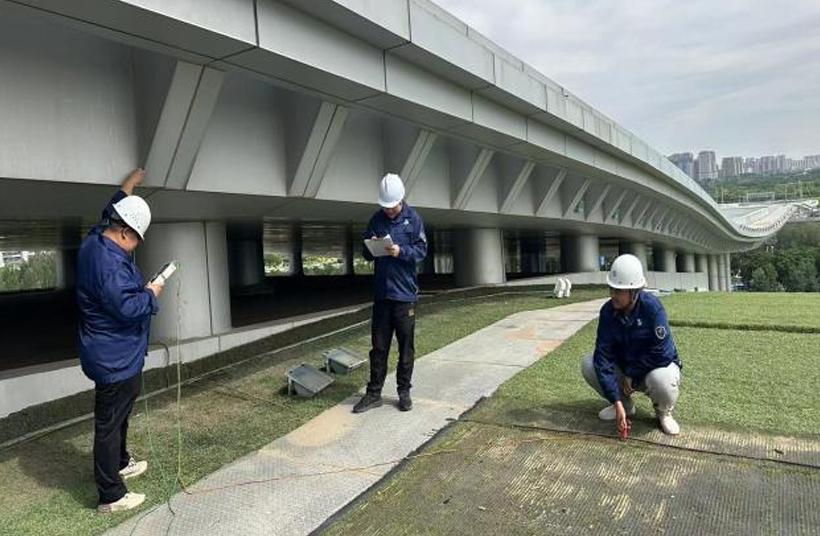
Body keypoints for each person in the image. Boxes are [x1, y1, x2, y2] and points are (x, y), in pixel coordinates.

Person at [76, 168, 163, 513]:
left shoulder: (100, 235)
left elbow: (115, 206)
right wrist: (153, 292)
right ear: (125, 232)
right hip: (113, 355)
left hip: (118, 353)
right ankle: (110, 494)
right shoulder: (109, 265)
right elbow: (129, 308)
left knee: (121, 413)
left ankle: (121, 461)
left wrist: (130, 184)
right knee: (109, 423)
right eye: (138, 238)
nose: (138, 245)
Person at [581, 254, 683, 436]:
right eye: (611, 288)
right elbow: (602, 357)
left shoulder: (653, 309)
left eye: (619, 291)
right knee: (589, 364)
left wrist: (632, 374)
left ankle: (664, 413)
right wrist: (617, 401)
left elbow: (662, 352)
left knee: (663, 380)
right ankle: (625, 406)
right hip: (626, 371)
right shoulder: (607, 312)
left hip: (652, 369)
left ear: (634, 292)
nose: (613, 294)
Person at [353, 173, 427, 413]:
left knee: (406, 348)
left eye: (392, 207)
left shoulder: (413, 219)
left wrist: (400, 251)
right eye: (385, 207)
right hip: (382, 295)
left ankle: (403, 392)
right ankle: (373, 394)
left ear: (401, 200)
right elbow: (365, 253)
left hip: (405, 296)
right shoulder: (376, 219)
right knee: (379, 347)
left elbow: (421, 251)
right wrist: (372, 245)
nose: (389, 211)